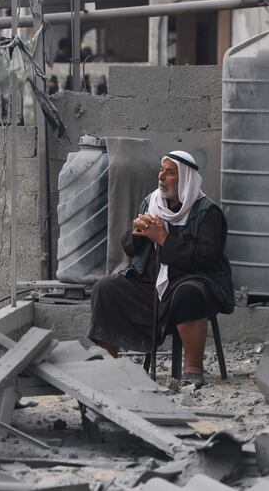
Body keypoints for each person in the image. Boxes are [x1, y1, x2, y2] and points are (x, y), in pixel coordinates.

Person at [88, 151, 234, 387]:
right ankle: (106, 363)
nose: (161, 177)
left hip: (194, 280)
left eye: (169, 172)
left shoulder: (208, 212)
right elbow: (129, 248)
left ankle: (193, 369)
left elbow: (207, 257)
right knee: (105, 289)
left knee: (189, 294)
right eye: (161, 171)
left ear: (185, 178)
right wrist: (137, 233)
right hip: (150, 282)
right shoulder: (152, 202)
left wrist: (163, 238)